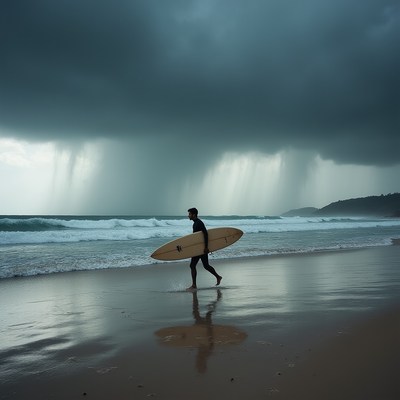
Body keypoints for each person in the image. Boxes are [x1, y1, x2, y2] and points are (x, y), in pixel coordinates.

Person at [187, 208, 222, 290]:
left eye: (189, 214)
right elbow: (197, 237)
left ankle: (194, 285)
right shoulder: (195, 223)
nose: (188, 216)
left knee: (192, 265)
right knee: (205, 266)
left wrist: (206, 247)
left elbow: (206, 234)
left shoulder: (199, 223)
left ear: (194, 214)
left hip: (202, 249)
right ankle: (218, 277)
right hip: (200, 248)